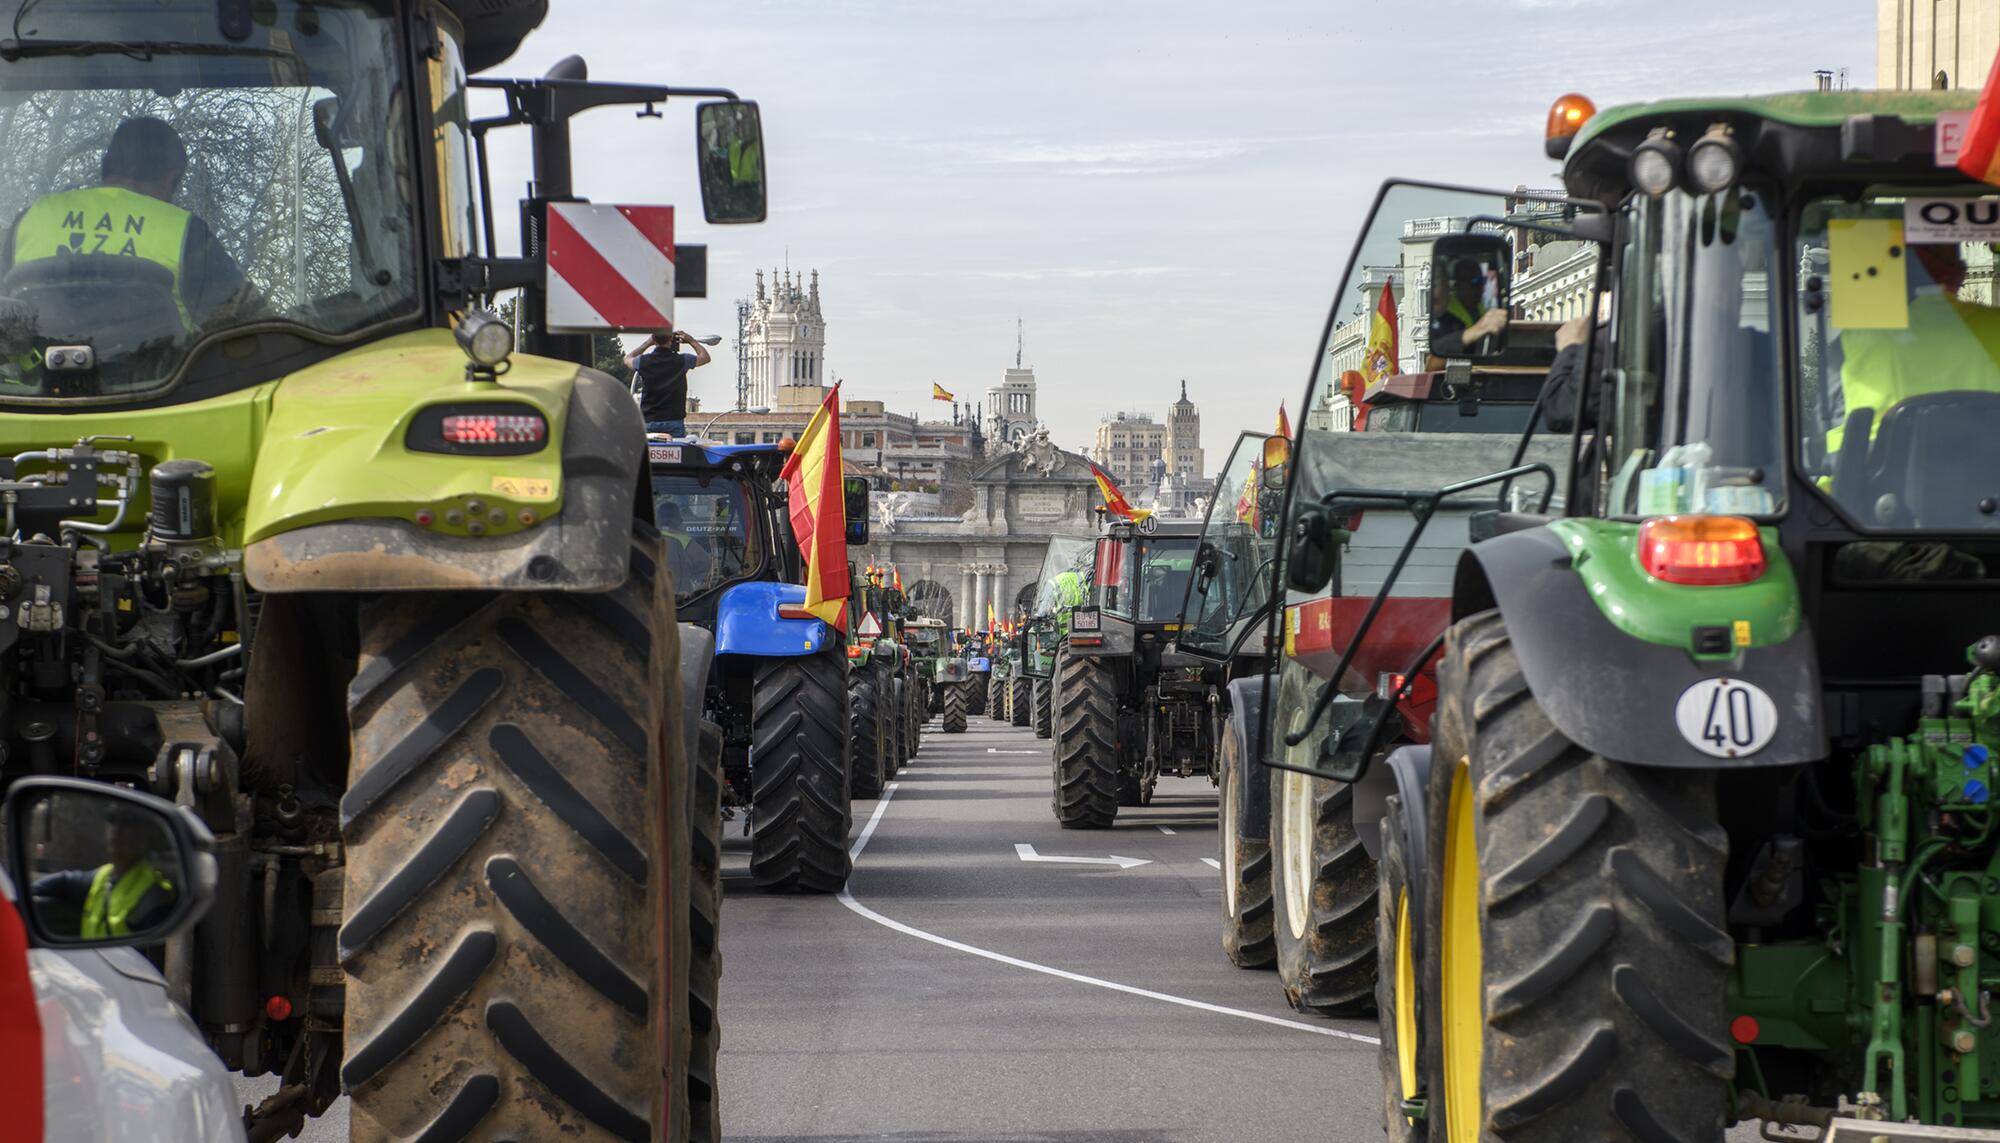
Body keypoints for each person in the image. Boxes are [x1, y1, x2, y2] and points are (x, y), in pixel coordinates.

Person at [3, 116, 256, 332]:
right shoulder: (185, 233)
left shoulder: (32, 219)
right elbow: (250, 327)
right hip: (165, 387)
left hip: (36, 385)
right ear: (172, 178)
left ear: (106, 166)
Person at [33, 808, 178, 940]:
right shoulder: (103, 876)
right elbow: (64, 881)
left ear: (144, 834)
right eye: (112, 820)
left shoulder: (154, 895)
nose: (117, 829)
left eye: (127, 823)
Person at [628, 325, 711, 437]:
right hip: (674, 420)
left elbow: (627, 358)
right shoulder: (682, 360)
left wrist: (647, 343)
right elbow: (705, 357)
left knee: (647, 453)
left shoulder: (643, 361)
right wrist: (691, 341)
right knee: (677, 453)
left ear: (654, 339)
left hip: (649, 420)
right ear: (671, 340)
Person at [1429, 256, 1509, 357]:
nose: (1480, 286)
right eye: (1474, 281)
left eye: (1481, 281)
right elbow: (1437, 348)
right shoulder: (1443, 312)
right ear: (1457, 285)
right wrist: (1475, 330)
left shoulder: (1481, 308)